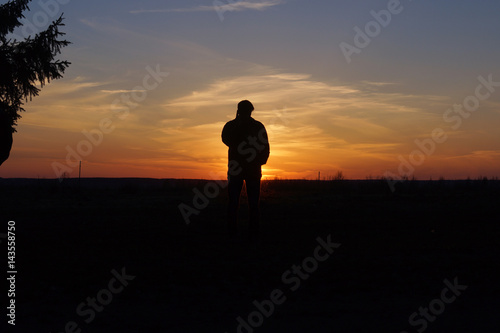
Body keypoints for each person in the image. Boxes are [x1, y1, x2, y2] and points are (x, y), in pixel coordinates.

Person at [222, 100, 270, 236]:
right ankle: (237, 231)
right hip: (242, 170)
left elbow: (265, 146)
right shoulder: (234, 126)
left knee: (249, 203)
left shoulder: (252, 126)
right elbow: (226, 139)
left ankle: (249, 232)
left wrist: (260, 161)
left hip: (248, 170)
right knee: (236, 203)